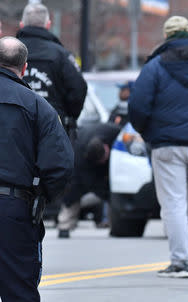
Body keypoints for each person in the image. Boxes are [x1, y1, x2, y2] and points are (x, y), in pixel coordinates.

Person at [128, 15, 188, 278]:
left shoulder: (155, 65)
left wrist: (149, 133)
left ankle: (179, 261)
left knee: (173, 204)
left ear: (167, 36)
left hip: (166, 144)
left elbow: (137, 106)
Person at [0, 36, 73, 301]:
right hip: (12, 206)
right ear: (24, 67)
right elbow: (60, 164)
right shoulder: (37, 105)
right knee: (18, 290)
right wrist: (40, 196)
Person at [16, 3, 87, 143]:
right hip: (53, 130)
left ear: (21, 24)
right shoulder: (61, 55)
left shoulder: (7, 52)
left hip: (12, 130)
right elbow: (79, 88)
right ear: (48, 25)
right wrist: (67, 115)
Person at [57, 123, 121, 238]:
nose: (102, 161)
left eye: (104, 158)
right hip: (78, 164)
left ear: (106, 147)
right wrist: (106, 193)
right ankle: (64, 225)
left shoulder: (111, 131)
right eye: (100, 161)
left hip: (112, 163)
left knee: (115, 192)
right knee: (72, 193)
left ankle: (116, 226)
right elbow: (91, 183)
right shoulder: (81, 157)